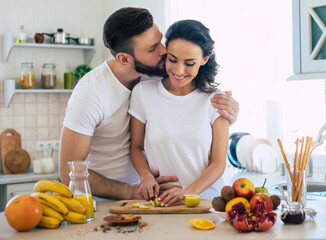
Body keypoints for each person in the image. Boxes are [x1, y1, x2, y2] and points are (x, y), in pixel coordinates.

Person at [59, 7, 239, 200]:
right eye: (152, 48)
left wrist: (228, 115)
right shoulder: (91, 93)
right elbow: (68, 172)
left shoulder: (156, 72)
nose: (164, 51)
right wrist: (133, 192)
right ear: (125, 59)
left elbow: (189, 104)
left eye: (160, 41)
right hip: (110, 203)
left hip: (154, 197)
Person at [129, 20, 229, 207]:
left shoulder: (216, 100)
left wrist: (188, 192)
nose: (178, 70)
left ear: (204, 60)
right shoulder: (143, 92)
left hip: (205, 202)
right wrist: (146, 176)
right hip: (161, 202)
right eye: (172, 59)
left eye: (189, 63)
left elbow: (218, 163)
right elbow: (136, 147)